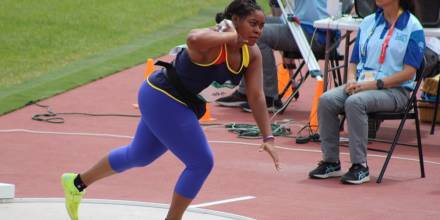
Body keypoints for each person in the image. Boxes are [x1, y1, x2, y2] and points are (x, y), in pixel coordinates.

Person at [60, 1, 280, 220]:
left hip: (178, 104)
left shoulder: (251, 54)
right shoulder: (214, 42)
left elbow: (256, 96)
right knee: (201, 162)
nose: (258, 30)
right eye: (253, 24)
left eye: (261, 25)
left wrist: (267, 136)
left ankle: (76, 183)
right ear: (235, 20)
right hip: (162, 97)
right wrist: (229, 36)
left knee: (139, 155)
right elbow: (192, 38)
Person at [309, 0, 425, 184]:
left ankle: (360, 166)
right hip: (362, 85)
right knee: (326, 100)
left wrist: (373, 85)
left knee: (355, 102)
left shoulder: (413, 27)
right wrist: (351, 80)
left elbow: (409, 72)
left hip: (395, 91)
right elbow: (354, 61)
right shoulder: (368, 22)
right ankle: (331, 162)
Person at [216, 0, 338, 113]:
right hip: (299, 23)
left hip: (314, 33)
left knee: (257, 35)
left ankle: (269, 97)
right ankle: (246, 91)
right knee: (247, 25)